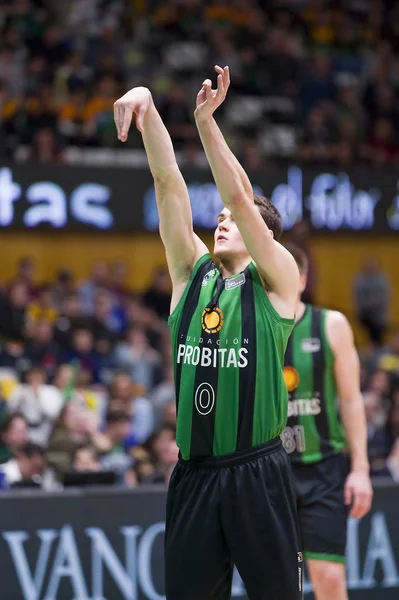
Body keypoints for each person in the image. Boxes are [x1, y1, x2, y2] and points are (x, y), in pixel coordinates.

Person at [114, 65, 302, 600]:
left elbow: (242, 199)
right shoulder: (188, 276)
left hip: (257, 475)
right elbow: (169, 183)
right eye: (216, 216)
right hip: (193, 476)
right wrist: (148, 106)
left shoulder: (276, 286)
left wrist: (205, 123)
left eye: (233, 219)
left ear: (265, 238)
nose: (222, 220)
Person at [282, 244, 373, 600]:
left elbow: (351, 400)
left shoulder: (330, 324)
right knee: (283, 583)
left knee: (330, 578)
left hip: (323, 470)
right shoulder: (250, 328)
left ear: (301, 280)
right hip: (271, 471)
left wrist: (361, 468)